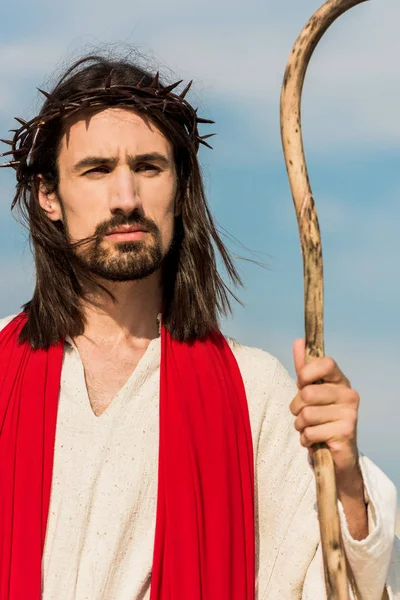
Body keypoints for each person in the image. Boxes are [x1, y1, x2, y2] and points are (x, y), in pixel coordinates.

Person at [0, 54, 398, 600]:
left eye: (148, 167)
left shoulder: (255, 394)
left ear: (179, 187)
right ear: (49, 194)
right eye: (97, 169)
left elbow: (333, 586)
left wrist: (347, 482)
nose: (126, 199)